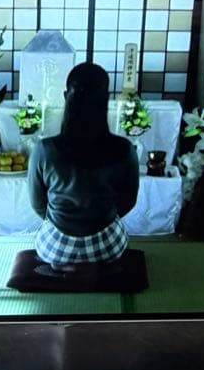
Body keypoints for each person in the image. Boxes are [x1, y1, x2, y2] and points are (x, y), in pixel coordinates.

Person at [28, 63, 139, 271]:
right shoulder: (124, 148)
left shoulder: (44, 149)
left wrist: (63, 222)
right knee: (116, 235)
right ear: (106, 98)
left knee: (45, 234)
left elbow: (37, 203)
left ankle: (64, 268)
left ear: (66, 96)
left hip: (56, 247)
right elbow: (128, 201)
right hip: (108, 246)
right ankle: (97, 268)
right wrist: (101, 219)